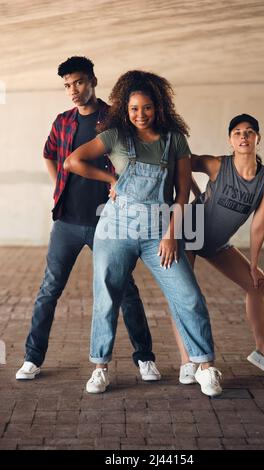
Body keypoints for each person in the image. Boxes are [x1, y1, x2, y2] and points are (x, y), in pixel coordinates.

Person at [64, 70, 223, 396]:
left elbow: (181, 194)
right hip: (116, 228)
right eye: (134, 108)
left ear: (158, 106)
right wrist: (110, 182)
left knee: (188, 295)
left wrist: (171, 235)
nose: (140, 114)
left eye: (147, 107)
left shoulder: (174, 139)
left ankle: (205, 367)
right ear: (125, 107)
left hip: (158, 231)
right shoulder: (115, 136)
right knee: (107, 295)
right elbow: (73, 162)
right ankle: (100, 368)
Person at [16, 57, 161, 382]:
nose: (74, 90)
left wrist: (116, 184)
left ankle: (145, 358)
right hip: (67, 221)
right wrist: (59, 187)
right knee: (49, 289)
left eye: (79, 82)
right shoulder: (63, 121)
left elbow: (135, 160)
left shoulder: (117, 119)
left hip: (108, 222)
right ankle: (32, 358)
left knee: (126, 290)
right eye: (67, 85)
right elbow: (49, 153)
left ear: (93, 80)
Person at [174, 113, 264, 385]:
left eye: (249, 132)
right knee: (184, 295)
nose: (243, 136)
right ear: (230, 140)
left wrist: (253, 264)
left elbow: (258, 226)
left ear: (258, 138)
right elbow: (181, 162)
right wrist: (192, 192)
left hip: (217, 243)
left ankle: (263, 352)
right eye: (237, 132)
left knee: (256, 284)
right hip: (188, 232)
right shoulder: (217, 165)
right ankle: (187, 362)